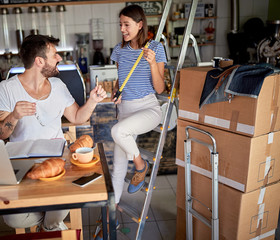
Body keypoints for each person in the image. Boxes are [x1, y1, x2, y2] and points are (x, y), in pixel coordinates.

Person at [0, 34, 107, 231]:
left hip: (58, 164)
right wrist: (14, 116)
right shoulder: (6, 89)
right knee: (14, 220)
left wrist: (93, 101)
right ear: (39, 61)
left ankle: (50, 226)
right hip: (23, 168)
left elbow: (77, 117)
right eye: (55, 55)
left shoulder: (59, 86)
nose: (59, 58)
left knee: (69, 196)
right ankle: (51, 224)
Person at [94, 4, 167, 239]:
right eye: (121, 25)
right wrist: (117, 92)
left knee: (118, 132)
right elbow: (121, 81)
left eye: (127, 25)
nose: (123, 29)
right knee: (116, 169)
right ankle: (110, 215)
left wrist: (153, 63)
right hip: (125, 110)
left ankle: (140, 165)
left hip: (148, 108)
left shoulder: (155, 48)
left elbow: (160, 87)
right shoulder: (119, 50)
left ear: (140, 24)